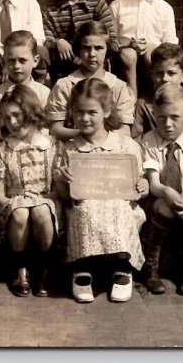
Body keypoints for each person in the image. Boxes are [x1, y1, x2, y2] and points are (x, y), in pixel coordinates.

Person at [54, 78, 148, 303]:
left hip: (119, 204)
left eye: (92, 112)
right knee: (84, 208)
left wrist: (143, 186)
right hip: (83, 205)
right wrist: (61, 179)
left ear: (106, 111)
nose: (84, 118)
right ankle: (82, 269)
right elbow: (68, 197)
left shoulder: (125, 146)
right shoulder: (69, 149)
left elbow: (138, 185)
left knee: (119, 208)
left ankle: (122, 268)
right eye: (79, 112)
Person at [139, 84, 183, 295]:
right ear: (154, 115)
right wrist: (168, 192)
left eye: (174, 117)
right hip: (158, 200)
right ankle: (151, 265)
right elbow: (154, 184)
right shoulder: (149, 140)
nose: (168, 124)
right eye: (161, 118)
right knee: (166, 203)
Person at [0, 86, 59, 297]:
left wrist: (42, 199)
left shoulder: (54, 146)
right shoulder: (1, 150)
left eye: (17, 115)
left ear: (31, 112)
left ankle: (43, 267)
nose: (11, 122)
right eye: (6, 117)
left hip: (47, 202)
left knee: (40, 210)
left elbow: (59, 191)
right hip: (14, 207)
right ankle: (20, 269)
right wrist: (17, 201)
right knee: (21, 212)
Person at [46, 21, 134, 141]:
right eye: (86, 48)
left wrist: (100, 138)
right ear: (78, 50)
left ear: (107, 50)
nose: (92, 54)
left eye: (99, 48)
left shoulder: (119, 87)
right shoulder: (64, 86)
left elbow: (125, 130)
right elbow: (55, 129)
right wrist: (85, 135)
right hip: (74, 148)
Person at [43, 0, 117, 84]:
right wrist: (57, 42)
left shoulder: (98, 4)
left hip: (96, 70)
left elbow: (112, 41)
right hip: (64, 72)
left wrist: (87, 54)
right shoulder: (51, 11)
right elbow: (46, 40)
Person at [110, 0, 177, 96]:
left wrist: (152, 47)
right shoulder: (118, 5)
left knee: (151, 52)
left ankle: (157, 96)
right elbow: (111, 39)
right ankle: (131, 99)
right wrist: (129, 44)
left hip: (153, 59)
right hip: (124, 59)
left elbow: (171, 44)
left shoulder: (164, 8)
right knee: (129, 54)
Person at [0, 30, 50, 133]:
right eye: (11, 60)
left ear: (35, 61)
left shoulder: (44, 94)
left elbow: (50, 130)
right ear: (4, 60)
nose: (16, 66)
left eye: (22, 60)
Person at [131, 43, 183, 140]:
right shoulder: (143, 105)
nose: (165, 78)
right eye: (159, 73)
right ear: (153, 76)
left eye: (171, 73)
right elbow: (136, 139)